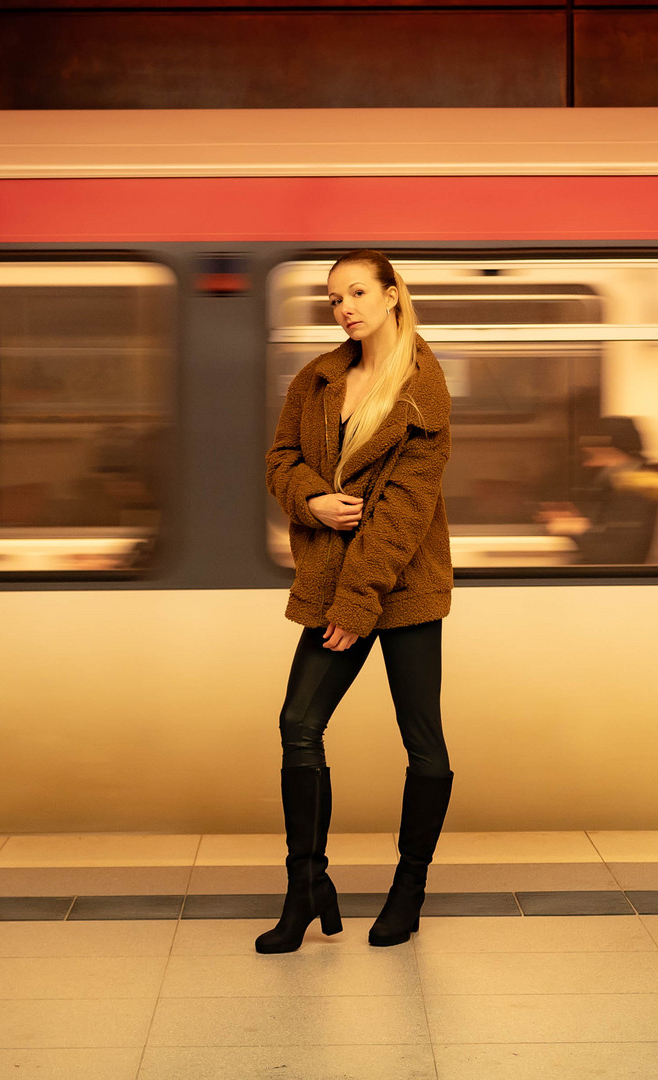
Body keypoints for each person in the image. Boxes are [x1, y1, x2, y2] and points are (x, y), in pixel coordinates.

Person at [260, 250, 454, 953]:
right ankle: (307, 887)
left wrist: (356, 605)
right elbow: (280, 460)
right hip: (328, 579)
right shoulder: (317, 380)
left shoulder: (423, 392)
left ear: (394, 294)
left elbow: (403, 515)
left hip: (401, 587)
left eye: (359, 291)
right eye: (334, 295)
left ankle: (410, 890)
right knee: (298, 725)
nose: (344, 306)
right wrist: (310, 501)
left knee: (423, 742)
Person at [538, 415, 658, 565]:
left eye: (595, 455)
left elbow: (618, 555)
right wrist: (579, 522)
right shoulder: (627, 487)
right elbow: (613, 533)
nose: (589, 464)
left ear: (615, 454)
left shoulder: (636, 491)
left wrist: (578, 529)